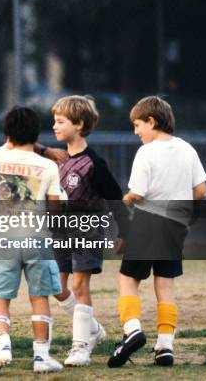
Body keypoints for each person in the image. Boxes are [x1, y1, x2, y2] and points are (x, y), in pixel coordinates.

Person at [108, 96, 206, 368]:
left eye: (138, 125)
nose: (135, 132)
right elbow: (201, 191)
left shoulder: (147, 152)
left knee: (128, 278)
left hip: (148, 222)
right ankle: (165, 346)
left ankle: (133, 330)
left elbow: (138, 193)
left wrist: (120, 201)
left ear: (151, 121)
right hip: (176, 226)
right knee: (165, 284)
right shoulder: (187, 149)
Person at [0, 106, 64, 376]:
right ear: (37, 133)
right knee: (39, 297)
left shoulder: (0, 156)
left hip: (6, 237)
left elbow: (13, 144)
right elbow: (55, 210)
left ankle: (3, 346)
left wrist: (42, 148)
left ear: (7, 134)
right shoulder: (49, 166)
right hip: (37, 238)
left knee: (0, 298)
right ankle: (41, 356)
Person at [51, 95, 129, 366]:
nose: (55, 126)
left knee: (79, 284)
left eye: (60, 122)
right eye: (54, 121)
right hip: (60, 231)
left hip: (88, 229)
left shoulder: (94, 163)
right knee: (56, 287)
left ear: (79, 124)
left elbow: (116, 198)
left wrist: (124, 232)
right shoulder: (56, 159)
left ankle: (80, 347)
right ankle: (93, 329)